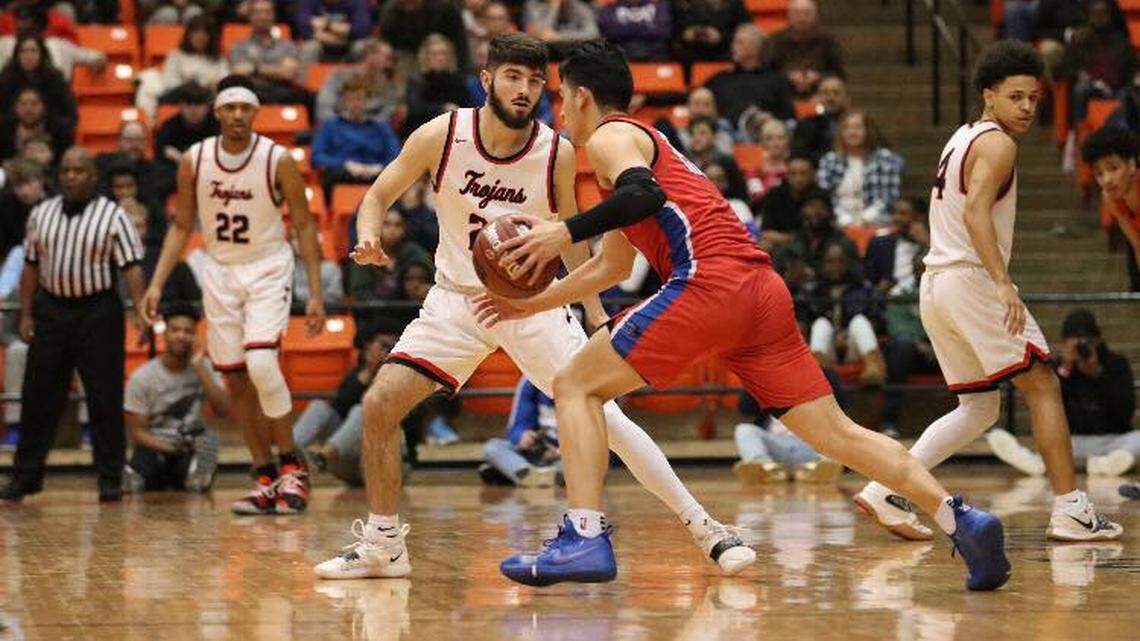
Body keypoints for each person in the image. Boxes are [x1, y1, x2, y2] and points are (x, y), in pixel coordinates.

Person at [482, 39, 1010, 591]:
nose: (561, 111)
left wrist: (562, 231)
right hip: (759, 292)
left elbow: (643, 194)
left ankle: (584, 536)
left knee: (574, 385)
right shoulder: (642, 144)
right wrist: (530, 303)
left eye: (564, 98)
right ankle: (960, 519)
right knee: (838, 434)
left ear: (585, 96)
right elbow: (612, 267)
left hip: (710, 283)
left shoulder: (615, 136)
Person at [312, 34, 755, 581]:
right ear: (487, 80)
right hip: (455, 301)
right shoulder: (441, 135)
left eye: (534, 82)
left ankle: (706, 527)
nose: (524, 91)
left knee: (605, 417)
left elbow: (572, 242)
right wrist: (369, 235)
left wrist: (594, 316)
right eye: (512, 78)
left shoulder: (558, 151)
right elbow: (377, 195)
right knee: (380, 404)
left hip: (533, 304)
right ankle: (384, 545)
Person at [853, 40, 1122, 544]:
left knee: (980, 408)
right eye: (1016, 96)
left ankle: (882, 488)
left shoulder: (961, 137)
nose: (1026, 107)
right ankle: (1070, 509)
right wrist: (1002, 283)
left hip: (936, 285)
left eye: (1034, 99)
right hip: (969, 279)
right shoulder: (998, 143)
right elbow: (976, 211)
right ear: (988, 95)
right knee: (1043, 383)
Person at [139, 74, 327, 516]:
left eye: (246, 109)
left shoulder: (276, 159)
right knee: (236, 378)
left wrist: (315, 293)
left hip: (266, 267)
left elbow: (303, 225)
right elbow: (182, 225)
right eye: (230, 108)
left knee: (262, 363)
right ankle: (264, 475)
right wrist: (156, 283)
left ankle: (290, 468)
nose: (238, 116)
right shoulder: (194, 160)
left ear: (255, 113)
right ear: (217, 112)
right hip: (219, 271)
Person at [0, 147, 146, 503]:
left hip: (98, 311)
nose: (70, 176)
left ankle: (110, 477)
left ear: (93, 176)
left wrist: (139, 311)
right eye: (65, 170)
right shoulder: (41, 213)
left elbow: (131, 267)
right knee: (38, 394)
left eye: (79, 170)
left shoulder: (113, 216)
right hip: (52, 310)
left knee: (104, 395)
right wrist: (28, 313)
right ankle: (26, 477)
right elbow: (32, 265)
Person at [986, 309, 1137, 478]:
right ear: (1064, 342)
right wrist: (1065, 372)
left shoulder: (1116, 364)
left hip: (1112, 439)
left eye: (1087, 340)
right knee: (1049, 438)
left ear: (1097, 340)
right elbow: (1051, 412)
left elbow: (1125, 411)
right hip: (1070, 441)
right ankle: (1041, 463)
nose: (1082, 346)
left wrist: (1097, 374)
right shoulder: (1057, 370)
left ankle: (1097, 464)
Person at [122, 303, 228, 493]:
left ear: (196, 336)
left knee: (203, 449)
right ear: (165, 335)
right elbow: (137, 432)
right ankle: (133, 476)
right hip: (154, 446)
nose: (181, 335)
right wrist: (169, 447)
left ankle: (197, 477)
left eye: (188, 331)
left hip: (190, 445)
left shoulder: (206, 368)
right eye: (175, 330)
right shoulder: (142, 377)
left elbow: (223, 410)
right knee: (142, 480)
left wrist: (199, 367)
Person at [294, 317, 404, 486]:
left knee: (363, 410)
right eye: (384, 346)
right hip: (351, 463)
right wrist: (368, 372)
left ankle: (321, 458)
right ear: (368, 346)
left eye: (393, 348)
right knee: (319, 406)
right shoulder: (356, 375)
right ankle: (287, 457)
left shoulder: (405, 378)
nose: (388, 352)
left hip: (388, 463)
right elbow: (339, 408)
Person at [801, 241, 886, 385]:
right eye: (830, 262)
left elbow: (878, 322)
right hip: (826, 350)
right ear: (823, 264)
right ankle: (817, 369)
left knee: (859, 320)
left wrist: (846, 335)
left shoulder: (863, 288)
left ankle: (874, 366)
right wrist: (834, 336)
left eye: (840, 261)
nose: (835, 266)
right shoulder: (812, 290)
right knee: (821, 323)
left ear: (848, 263)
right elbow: (805, 325)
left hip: (854, 347)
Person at [312, 74, 402, 191]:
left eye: (359, 99)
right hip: (343, 176)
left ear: (366, 101)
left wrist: (378, 167)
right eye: (351, 99)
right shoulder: (330, 126)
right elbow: (317, 157)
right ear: (344, 101)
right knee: (331, 174)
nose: (355, 104)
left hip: (375, 176)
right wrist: (345, 165)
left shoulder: (381, 128)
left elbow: (396, 157)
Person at [816, 110, 904, 228]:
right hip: (838, 223)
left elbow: (889, 196)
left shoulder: (886, 159)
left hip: (878, 222)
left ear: (868, 131)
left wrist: (865, 219)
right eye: (847, 128)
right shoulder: (829, 161)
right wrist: (844, 220)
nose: (852, 132)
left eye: (858, 128)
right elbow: (825, 197)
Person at [703, 24, 794, 131]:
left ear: (756, 47)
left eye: (739, 42)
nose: (733, 46)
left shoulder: (776, 80)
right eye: (734, 42)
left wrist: (771, 118)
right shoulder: (720, 80)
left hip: (765, 134)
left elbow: (788, 115)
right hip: (728, 134)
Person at [1081, 126, 1140, 291]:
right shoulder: (1109, 198)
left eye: (1113, 168)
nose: (1106, 179)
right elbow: (1137, 245)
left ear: (1131, 164)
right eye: (1099, 173)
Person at [136, 15, 229, 119]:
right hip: (180, 100)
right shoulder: (176, 56)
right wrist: (198, 83)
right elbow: (170, 84)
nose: (200, 37)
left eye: (205, 33)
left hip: (208, 101)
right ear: (189, 35)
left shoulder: (219, 60)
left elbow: (223, 84)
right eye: (196, 32)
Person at [1058, 0, 1134, 126]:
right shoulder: (1080, 40)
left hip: (1117, 88)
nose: (1099, 17)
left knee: (1127, 95)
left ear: (1110, 16)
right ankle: (1079, 132)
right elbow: (1060, 69)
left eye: (1103, 13)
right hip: (1091, 87)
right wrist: (1078, 74)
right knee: (1080, 89)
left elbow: (1132, 71)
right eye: (1095, 13)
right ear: (1089, 16)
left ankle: (1122, 136)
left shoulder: (1122, 43)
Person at [228, 0, 311, 110]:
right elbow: (239, 71)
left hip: (284, 95)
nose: (263, 17)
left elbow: (289, 73)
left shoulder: (287, 45)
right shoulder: (239, 46)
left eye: (267, 12)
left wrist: (254, 69)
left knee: (307, 97)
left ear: (274, 16)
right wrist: (277, 70)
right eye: (258, 12)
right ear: (250, 16)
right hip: (252, 95)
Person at [480, 377, 561, 487]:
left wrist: (558, 452)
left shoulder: (586, 384)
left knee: (578, 465)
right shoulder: (531, 381)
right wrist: (522, 436)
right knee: (492, 448)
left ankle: (513, 473)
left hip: (569, 457)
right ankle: (536, 476)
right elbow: (516, 428)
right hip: (540, 451)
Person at [759, 0, 845, 97]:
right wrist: (788, 77)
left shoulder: (828, 40)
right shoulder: (775, 40)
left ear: (815, 16)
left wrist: (818, 77)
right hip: (782, 94)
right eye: (797, 13)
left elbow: (839, 74)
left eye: (807, 13)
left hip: (820, 93)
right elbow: (765, 73)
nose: (801, 18)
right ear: (789, 16)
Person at [733, 413, 842, 484]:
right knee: (743, 429)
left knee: (834, 426)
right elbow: (745, 407)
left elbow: (842, 401)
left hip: (810, 442)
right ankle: (763, 466)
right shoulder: (767, 382)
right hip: (775, 446)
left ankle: (818, 467)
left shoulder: (818, 379)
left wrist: (824, 377)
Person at [315, 39, 404, 125]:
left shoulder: (389, 86)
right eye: (387, 57)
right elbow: (324, 105)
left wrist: (364, 128)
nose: (389, 63)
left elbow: (386, 115)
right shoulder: (338, 75)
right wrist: (338, 126)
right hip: (337, 127)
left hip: (369, 132)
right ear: (369, 55)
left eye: (391, 59)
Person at [0, 7, 104, 81]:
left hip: (54, 104)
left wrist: (99, 62)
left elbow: (97, 57)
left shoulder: (60, 45)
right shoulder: (5, 43)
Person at [0, 35, 77, 134]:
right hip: (11, 136)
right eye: (23, 51)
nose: (28, 56)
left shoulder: (55, 80)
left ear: (42, 54)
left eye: (33, 51)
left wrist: (46, 125)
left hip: (50, 134)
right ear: (17, 55)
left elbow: (70, 116)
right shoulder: (6, 79)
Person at [403, 34, 474, 136]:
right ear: (426, 57)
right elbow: (413, 110)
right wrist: (442, 108)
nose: (440, 58)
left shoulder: (458, 81)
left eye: (443, 53)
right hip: (424, 132)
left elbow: (469, 109)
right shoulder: (417, 81)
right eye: (435, 54)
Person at [378, 0, 470, 76]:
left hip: (443, 53)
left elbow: (460, 44)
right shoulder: (390, 13)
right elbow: (387, 44)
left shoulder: (445, 8)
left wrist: (462, 72)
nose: (408, 3)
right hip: (408, 58)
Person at [95, 120, 176, 205]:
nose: (134, 145)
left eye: (139, 140)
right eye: (129, 140)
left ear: (146, 142)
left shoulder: (157, 171)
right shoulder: (102, 163)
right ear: (119, 141)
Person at [755, 153, 825, 250]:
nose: (798, 179)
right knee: (764, 245)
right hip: (781, 245)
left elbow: (823, 233)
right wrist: (792, 239)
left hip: (813, 247)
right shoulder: (774, 195)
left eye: (803, 173)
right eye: (793, 173)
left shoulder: (821, 196)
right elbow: (766, 233)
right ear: (787, 174)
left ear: (812, 174)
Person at [779, 193, 858, 276]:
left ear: (830, 212)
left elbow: (856, 275)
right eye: (812, 206)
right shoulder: (791, 243)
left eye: (822, 207)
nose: (817, 212)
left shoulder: (843, 243)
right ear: (802, 210)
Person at [154, 83, 220, 169]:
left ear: (207, 107)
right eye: (188, 104)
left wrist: (181, 159)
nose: (193, 109)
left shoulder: (218, 126)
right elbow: (159, 157)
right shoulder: (169, 127)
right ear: (180, 107)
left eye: (198, 104)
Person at [0, 86, 72, 162]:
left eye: (34, 104)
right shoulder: (4, 132)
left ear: (44, 107)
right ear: (15, 107)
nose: (28, 109)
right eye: (23, 104)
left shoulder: (59, 133)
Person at [683, 115, 747, 201]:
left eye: (702, 133)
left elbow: (741, 194)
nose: (696, 137)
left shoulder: (727, 162)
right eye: (692, 133)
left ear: (714, 136)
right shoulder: (684, 162)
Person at [790, 74, 849, 163]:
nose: (830, 98)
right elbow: (800, 154)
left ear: (846, 98)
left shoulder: (857, 124)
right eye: (825, 93)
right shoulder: (806, 124)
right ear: (818, 98)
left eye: (836, 93)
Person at [670, 0, 748, 63]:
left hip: (724, 55)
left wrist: (721, 37)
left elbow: (745, 31)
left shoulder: (734, 3)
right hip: (685, 57)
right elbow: (668, 32)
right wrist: (683, 35)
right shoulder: (676, 3)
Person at [296, 0, 372, 63]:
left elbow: (361, 30)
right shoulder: (308, 2)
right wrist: (344, 31)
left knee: (361, 46)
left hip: (349, 47)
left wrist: (327, 25)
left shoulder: (357, 2)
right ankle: (306, 80)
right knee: (309, 48)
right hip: (322, 47)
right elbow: (304, 29)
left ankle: (360, 79)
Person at [595, 0, 671, 62]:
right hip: (620, 52)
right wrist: (645, 26)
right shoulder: (610, 8)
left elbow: (663, 31)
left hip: (654, 51)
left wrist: (626, 28)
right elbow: (609, 31)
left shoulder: (658, 6)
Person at [524, 0, 599, 43]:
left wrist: (558, 36)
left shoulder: (579, 7)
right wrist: (554, 8)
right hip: (547, 53)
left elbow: (593, 33)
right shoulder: (534, 5)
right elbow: (542, 34)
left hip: (569, 51)